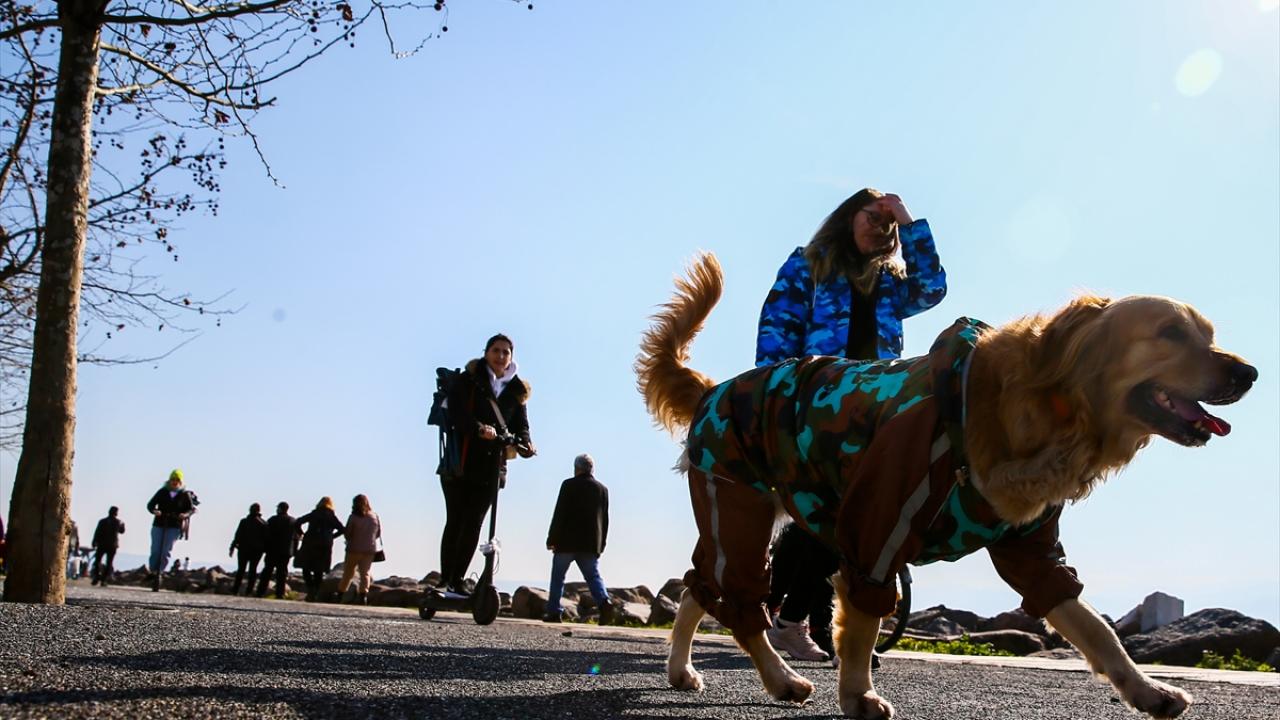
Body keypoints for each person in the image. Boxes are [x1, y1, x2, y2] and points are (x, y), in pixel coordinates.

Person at [756, 188, 946, 664]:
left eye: (888, 225)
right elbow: (777, 328)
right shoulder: (809, 265)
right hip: (816, 403)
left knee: (845, 516)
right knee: (830, 514)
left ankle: (800, 621)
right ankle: (799, 621)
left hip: (872, 409)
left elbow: (933, 287)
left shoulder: (891, 281)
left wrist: (908, 221)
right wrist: (774, 397)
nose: (880, 229)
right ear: (847, 217)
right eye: (872, 217)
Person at [437, 332, 535, 599]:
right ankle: (447, 579)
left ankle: (457, 580)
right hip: (461, 463)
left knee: (474, 523)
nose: (501, 356)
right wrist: (478, 428)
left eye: (506, 352)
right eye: (496, 350)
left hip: (492, 467)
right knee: (456, 520)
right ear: (486, 353)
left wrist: (526, 443)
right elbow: (457, 413)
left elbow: (521, 425)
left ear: (511, 357)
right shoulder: (469, 380)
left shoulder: (517, 390)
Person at [542, 454, 613, 624]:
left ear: (577, 468)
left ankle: (554, 612)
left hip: (566, 541)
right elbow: (605, 520)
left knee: (558, 578)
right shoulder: (602, 489)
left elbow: (559, 513)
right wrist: (601, 545)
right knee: (593, 577)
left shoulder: (568, 485)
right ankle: (604, 603)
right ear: (592, 469)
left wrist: (551, 539)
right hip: (590, 543)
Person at [146, 469, 196, 592]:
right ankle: (153, 570)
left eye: (177, 480)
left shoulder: (184, 494)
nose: (174, 482)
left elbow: (191, 509)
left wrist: (184, 515)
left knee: (166, 551)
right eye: (173, 479)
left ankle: (160, 572)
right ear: (169, 480)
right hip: (159, 523)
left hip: (174, 525)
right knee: (156, 550)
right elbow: (150, 505)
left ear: (180, 482)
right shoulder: (162, 491)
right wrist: (155, 511)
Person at [294, 496, 344, 602]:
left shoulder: (314, 513)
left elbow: (298, 522)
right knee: (319, 569)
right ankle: (315, 591)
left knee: (306, 566)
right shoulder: (331, 516)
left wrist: (302, 533)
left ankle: (310, 588)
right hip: (325, 545)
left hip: (310, 542)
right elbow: (342, 529)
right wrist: (332, 536)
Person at [337, 494, 381, 605]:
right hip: (369, 549)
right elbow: (378, 533)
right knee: (365, 573)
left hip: (354, 548)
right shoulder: (374, 516)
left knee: (348, 572)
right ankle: (363, 596)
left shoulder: (353, 517)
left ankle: (340, 594)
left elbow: (348, 533)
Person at [256, 501, 297, 599]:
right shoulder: (292, 521)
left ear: (279, 509)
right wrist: (294, 551)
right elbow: (296, 538)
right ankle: (280, 593)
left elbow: (265, 535)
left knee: (267, 571)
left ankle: (260, 592)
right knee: (282, 573)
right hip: (285, 551)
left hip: (272, 550)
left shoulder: (272, 520)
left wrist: (264, 548)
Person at [229, 503, 268, 595]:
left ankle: (235, 589)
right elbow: (266, 538)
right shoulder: (263, 523)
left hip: (243, 549)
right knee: (252, 570)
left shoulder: (244, 521)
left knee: (241, 570)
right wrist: (265, 549)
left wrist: (232, 547)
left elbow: (238, 535)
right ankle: (249, 591)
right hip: (257, 550)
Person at [90, 507, 126, 586]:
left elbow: (97, 532)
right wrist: (123, 525)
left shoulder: (102, 521)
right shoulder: (118, 522)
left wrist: (94, 541)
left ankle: (97, 577)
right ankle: (103, 580)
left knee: (98, 561)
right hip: (112, 545)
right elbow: (122, 531)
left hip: (102, 544)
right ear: (116, 513)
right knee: (108, 563)